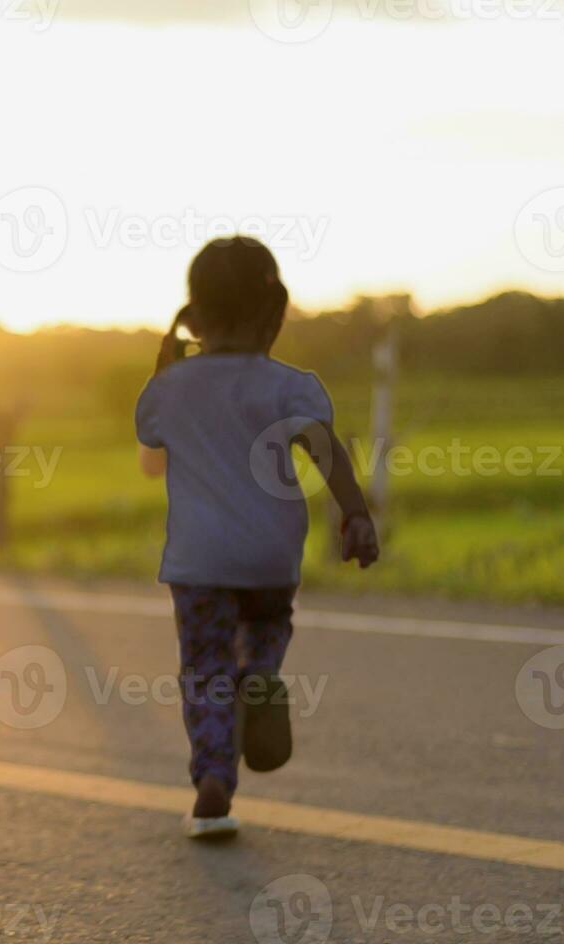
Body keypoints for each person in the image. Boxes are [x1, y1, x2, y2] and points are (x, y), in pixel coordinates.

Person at [135, 236, 380, 839]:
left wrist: (167, 363)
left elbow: (149, 439)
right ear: (275, 313)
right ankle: (260, 674)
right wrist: (356, 514)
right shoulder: (290, 386)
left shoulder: (172, 388)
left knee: (205, 669)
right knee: (267, 627)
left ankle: (214, 778)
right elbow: (326, 452)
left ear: (193, 314)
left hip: (199, 562)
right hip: (271, 557)